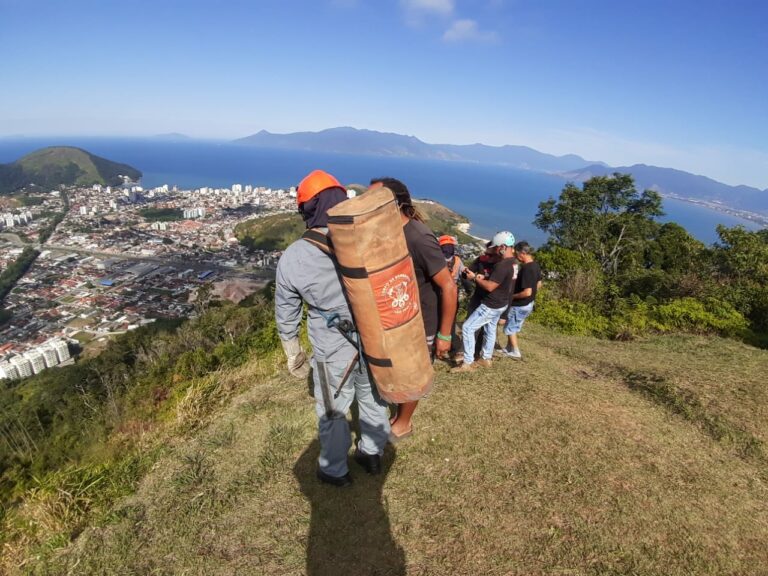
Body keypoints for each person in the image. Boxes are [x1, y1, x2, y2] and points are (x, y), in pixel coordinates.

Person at [275, 169, 390, 487]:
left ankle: (334, 469)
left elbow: (287, 312)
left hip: (332, 347)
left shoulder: (295, 256)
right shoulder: (369, 237)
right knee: (373, 398)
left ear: (308, 208)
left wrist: (293, 353)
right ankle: (371, 453)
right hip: (375, 337)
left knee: (333, 409)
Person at [368, 177, 458, 441]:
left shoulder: (419, 237)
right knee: (401, 373)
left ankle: (403, 424)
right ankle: (398, 414)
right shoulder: (390, 232)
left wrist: (444, 335)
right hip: (402, 318)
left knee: (414, 375)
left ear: (396, 203)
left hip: (424, 322)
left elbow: (448, 287)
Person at [451, 231, 517, 373]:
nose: (495, 250)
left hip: (491, 304)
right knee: (490, 329)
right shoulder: (512, 263)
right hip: (501, 304)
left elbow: (490, 286)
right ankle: (486, 358)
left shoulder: (502, 265)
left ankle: (467, 363)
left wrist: (475, 278)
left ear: (503, 247)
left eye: (497, 247)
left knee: (468, 328)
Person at [500, 241, 542, 360]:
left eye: (517, 253)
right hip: (529, 303)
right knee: (513, 325)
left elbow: (526, 292)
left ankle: (515, 351)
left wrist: (511, 296)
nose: (516, 256)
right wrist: (532, 295)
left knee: (510, 328)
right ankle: (509, 348)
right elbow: (539, 284)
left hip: (520, 304)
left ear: (522, 253)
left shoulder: (527, 269)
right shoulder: (535, 265)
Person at [438, 234, 466, 361]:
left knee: (437, 320)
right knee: (451, 322)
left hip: (438, 293)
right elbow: (464, 275)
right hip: (453, 294)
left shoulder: (437, 259)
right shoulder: (458, 261)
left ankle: (436, 347)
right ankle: (452, 347)